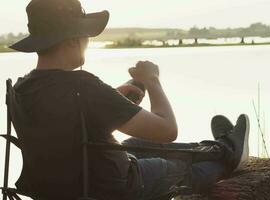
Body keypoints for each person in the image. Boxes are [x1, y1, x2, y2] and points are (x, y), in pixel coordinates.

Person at [9, 0, 250, 199]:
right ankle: (228, 156)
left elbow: (65, 122)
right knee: (181, 167)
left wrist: (115, 98)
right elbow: (167, 130)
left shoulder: (22, 87)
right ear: (73, 40)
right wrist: (153, 80)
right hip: (114, 186)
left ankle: (221, 146)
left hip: (64, 185)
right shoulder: (82, 85)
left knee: (138, 141)